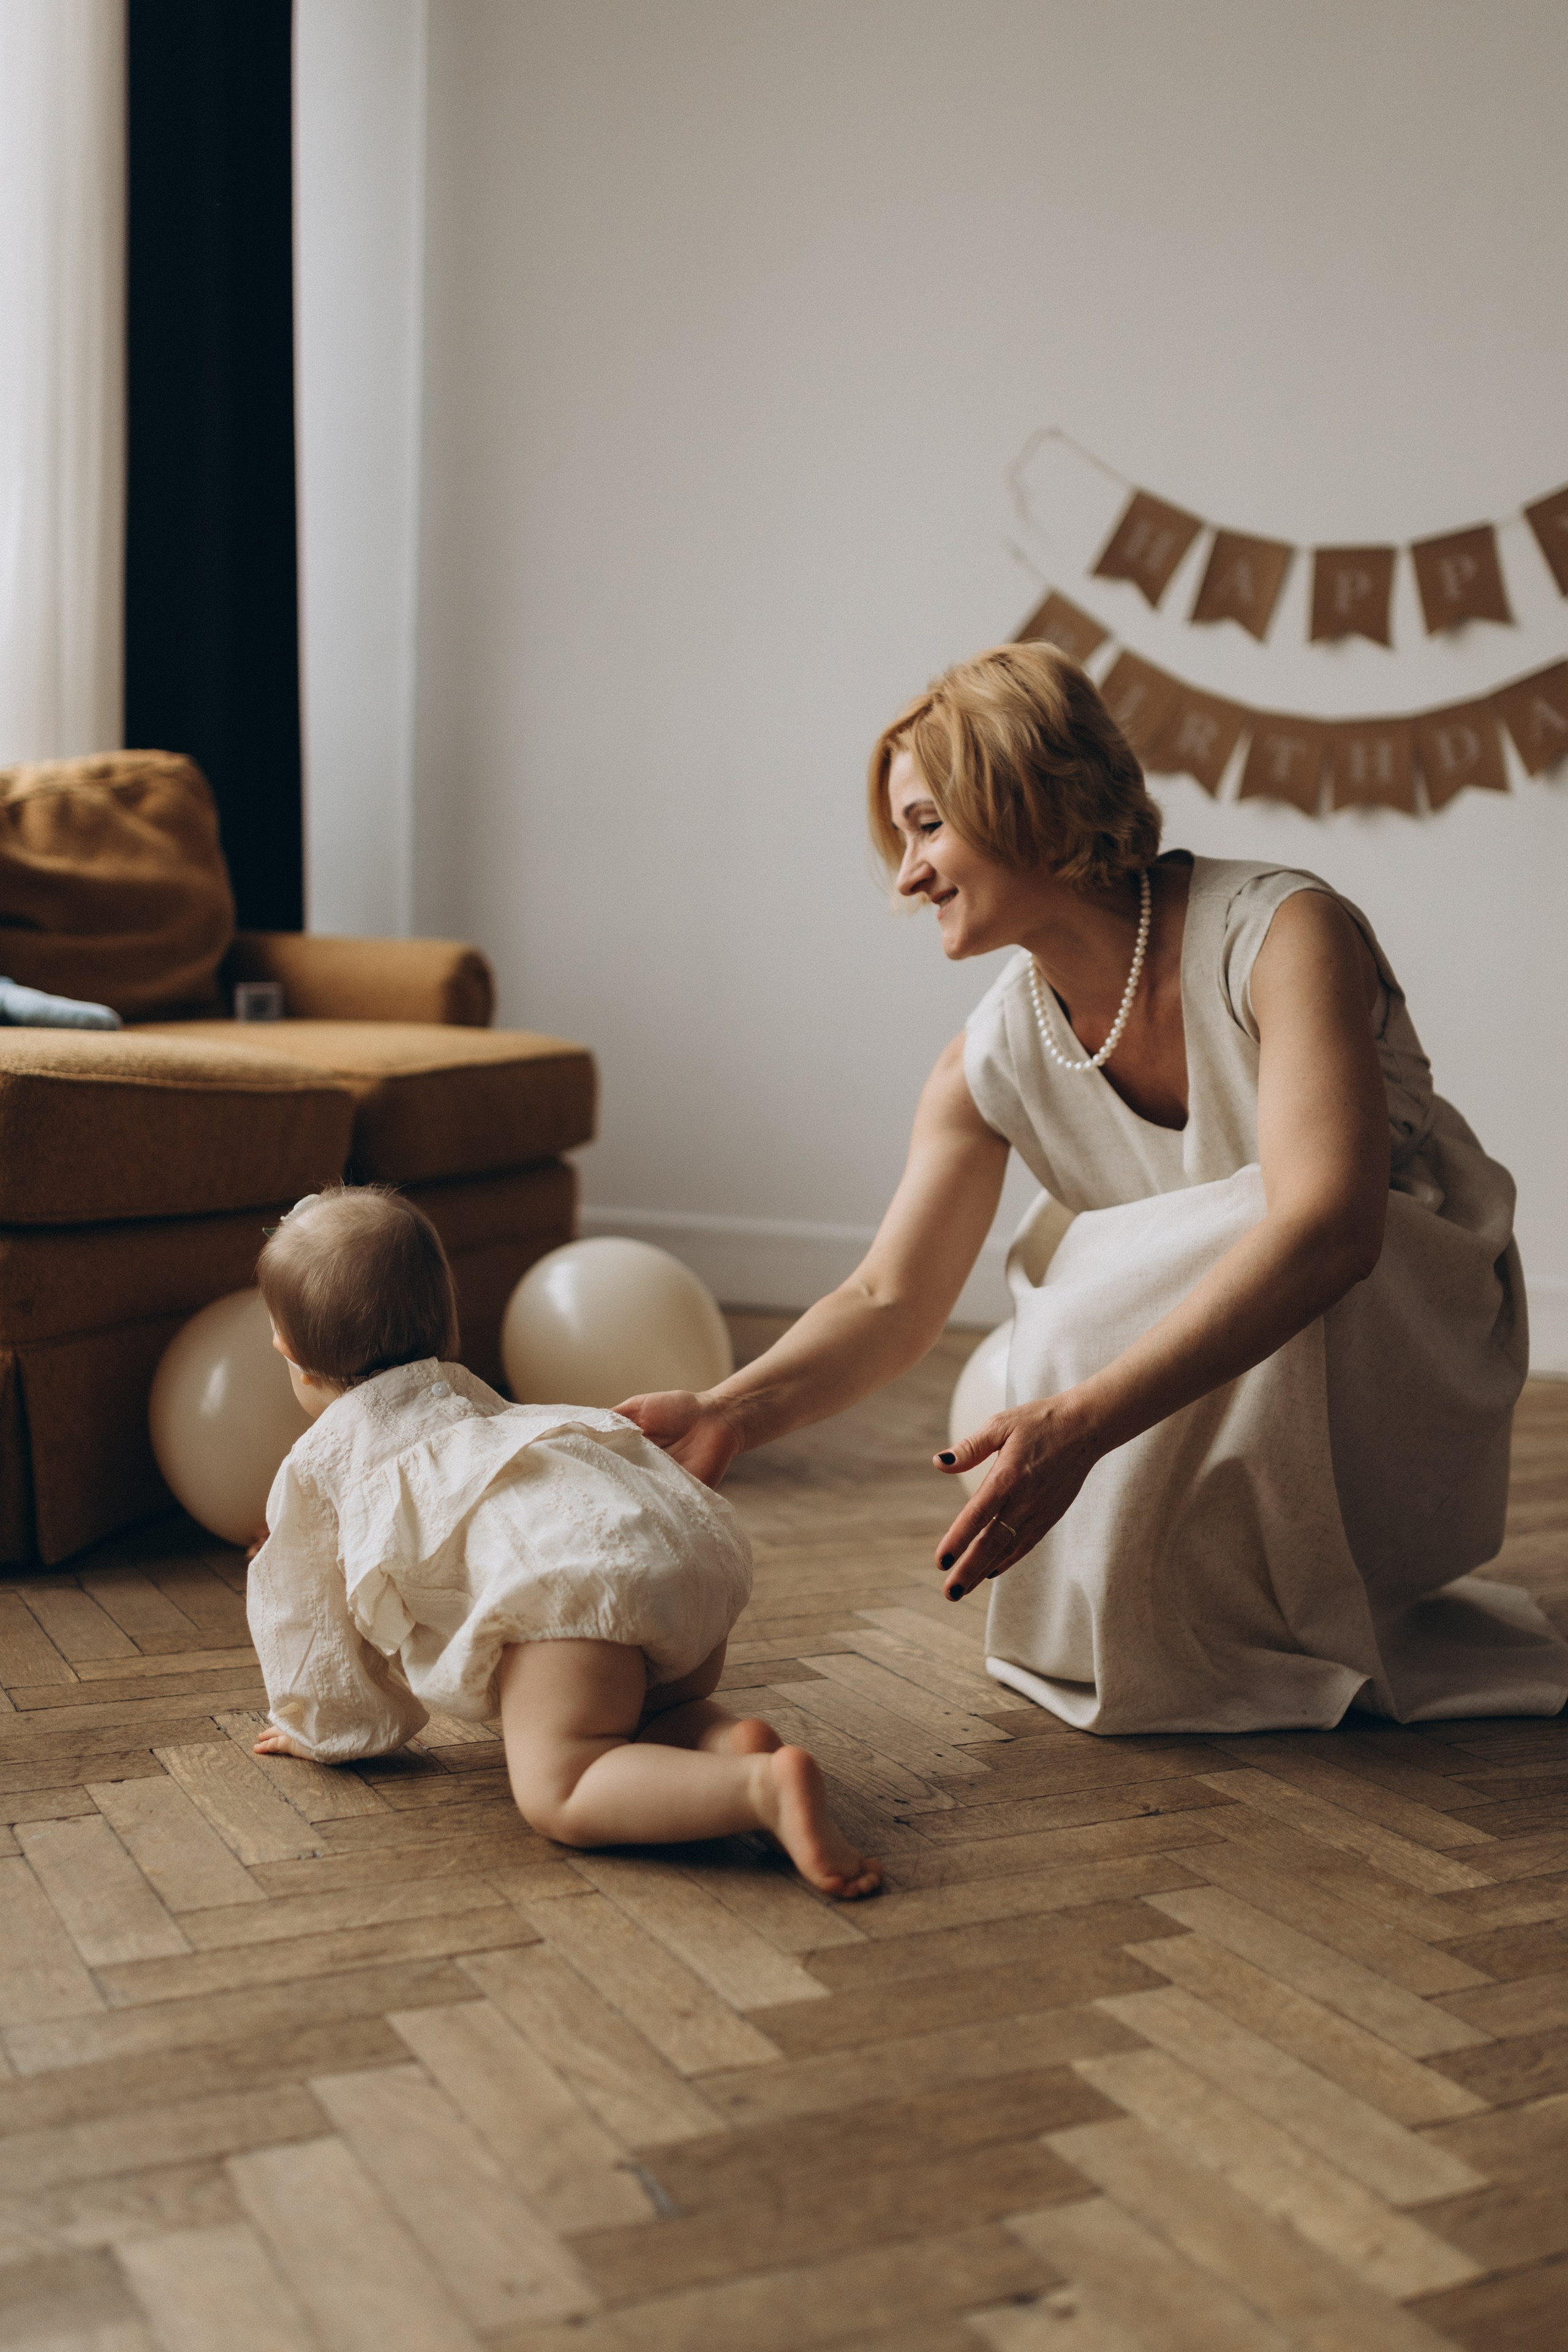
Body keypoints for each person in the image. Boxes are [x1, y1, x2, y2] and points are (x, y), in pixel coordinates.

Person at [619, 641, 1568, 1736]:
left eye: (927, 825)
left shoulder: (1284, 936)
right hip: (1227, 1373)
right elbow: (891, 1298)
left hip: (1404, 1342)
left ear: (1024, 793)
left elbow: (1331, 1229)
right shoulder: (986, 1059)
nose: (905, 875)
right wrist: (730, 1413)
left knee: (1101, 1277)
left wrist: (1082, 1423)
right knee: (1090, 1278)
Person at [244, 1186, 881, 1898]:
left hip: (572, 1594)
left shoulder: (324, 1462)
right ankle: (728, 1748)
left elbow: (308, 1617)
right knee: (653, 1711)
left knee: (564, 1786)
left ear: (291, 1353)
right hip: (672, 1548)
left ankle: (760, 1792)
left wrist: (323, 1726)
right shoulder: (471, 1398)